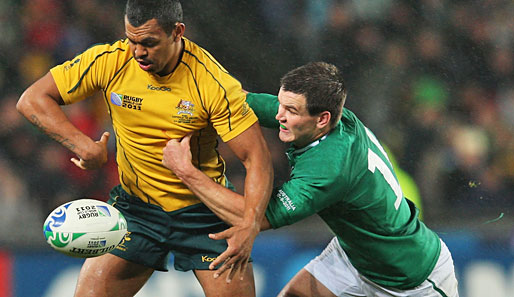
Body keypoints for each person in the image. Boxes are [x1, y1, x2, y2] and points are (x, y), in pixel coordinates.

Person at [16, 0, 273, 296]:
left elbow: (257, 158)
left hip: (205, 213)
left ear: (177, 32)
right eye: (132, 40)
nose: (138, 51)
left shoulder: (212, 83)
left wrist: (250, 225)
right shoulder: (111, 60)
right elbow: (32, 100)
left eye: (149, 43)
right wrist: (84, 146)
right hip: (136, 212)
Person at [162, 62, 460, 297]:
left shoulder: (329, 171)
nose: (280, 115)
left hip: (412, 281)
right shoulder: (325, 120)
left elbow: (252, 218)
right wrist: (183, 98)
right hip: (355, 257)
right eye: (282, 104)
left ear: (322, 119)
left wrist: (186, 172)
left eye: (291, 111)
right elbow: (238, 102)